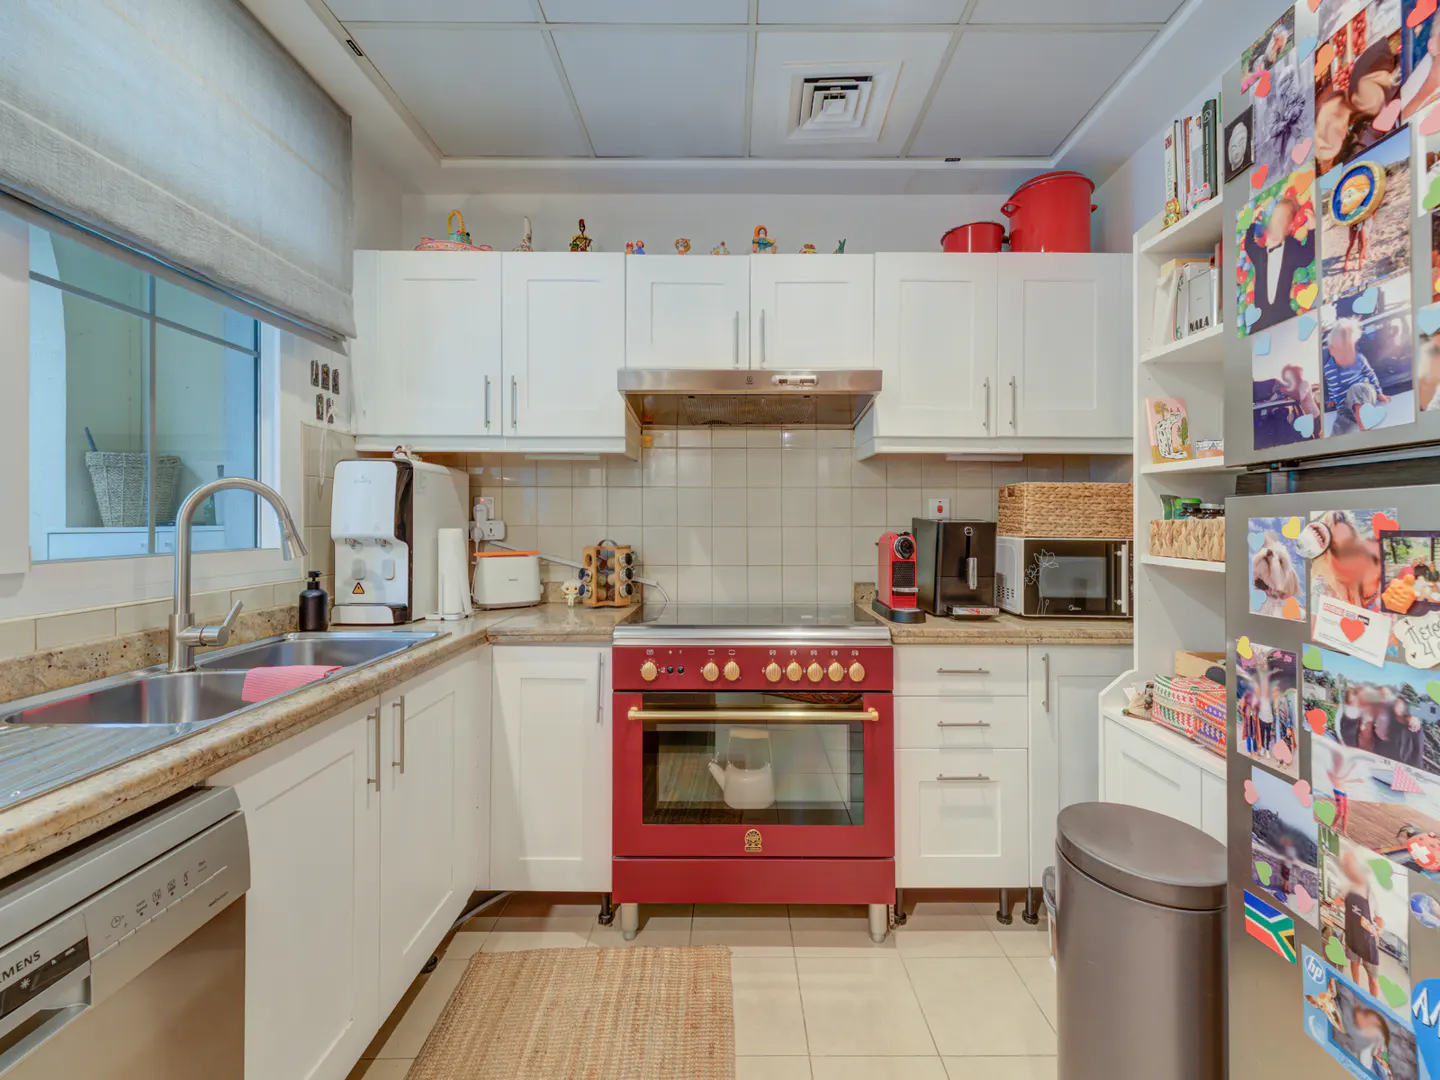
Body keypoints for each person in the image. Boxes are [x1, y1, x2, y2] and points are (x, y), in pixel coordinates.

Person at [1244, 196, 1317, 334]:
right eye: (1274, 219)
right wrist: (1252, 223)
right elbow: (1249, 246)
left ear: (1288, 228)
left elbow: (1307, 256)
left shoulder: (1291, 250)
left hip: (1282, 315)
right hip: (1261, 321)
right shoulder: (1260, 255)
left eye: (1281, 220)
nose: (1275, 224)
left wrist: (1312, 229)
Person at [1325, 317, 1390, 435]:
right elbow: (1331, 385)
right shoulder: (1328, 369)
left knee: (1355, 390)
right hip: (1346, 406)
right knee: (1338, 426)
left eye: (1350, 349)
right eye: (1343, 350)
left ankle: (1364, 426)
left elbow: (1370, 374)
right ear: (1332, 350)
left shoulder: (1359, 359)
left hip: (1365, 392)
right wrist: (1331, 399)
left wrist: (1379, 393)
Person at [1341, 846, 1385, 999]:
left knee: (1373, 979)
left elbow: (1379, 918)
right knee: (1354, 964)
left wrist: (1378, 928)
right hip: (1352, 937)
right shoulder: (1347, 888)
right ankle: (1356, 990)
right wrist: (1333, 903)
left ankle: (1374, 1003)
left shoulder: (1370, 893)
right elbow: (1339, 901)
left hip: (1368, 942)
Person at [1328, 747, 1365, 836]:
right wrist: (1351, 769)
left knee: (1345, 813)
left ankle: (1344, 832)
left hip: (1343, 791)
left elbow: (1344, 779)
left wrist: (1357, 779)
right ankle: (1333, 825)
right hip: (1338, 790)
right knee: (1340, 812)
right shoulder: (1334, 767)